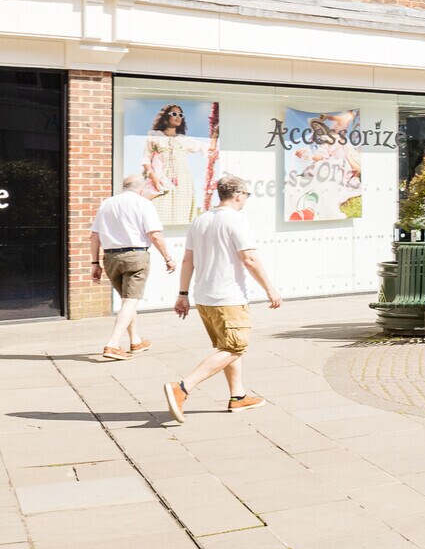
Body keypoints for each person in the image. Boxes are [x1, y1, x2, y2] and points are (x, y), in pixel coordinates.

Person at [162, 176, 282, 422]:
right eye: (246, 195)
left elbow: (187, 260)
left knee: (228, 347)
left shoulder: (200, 219)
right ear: (238, 195)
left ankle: (238, 396)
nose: (246, 199)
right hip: (228, 297)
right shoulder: (236, 220)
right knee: (235, 347)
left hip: (204, 297)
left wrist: (183, 294)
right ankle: (182, 387)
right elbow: (249, 258)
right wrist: (270, 289)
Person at [89, 174, 177, 361]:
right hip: (135, 256)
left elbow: (94, 236)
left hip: (111, 257)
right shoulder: (143, 203)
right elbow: (154, 234)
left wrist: (95, 263)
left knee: (128, 301)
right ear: (142, 187)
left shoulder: (106, 204)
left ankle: (135, 340)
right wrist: (168, 257)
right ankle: (113, 344)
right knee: (130, 301)